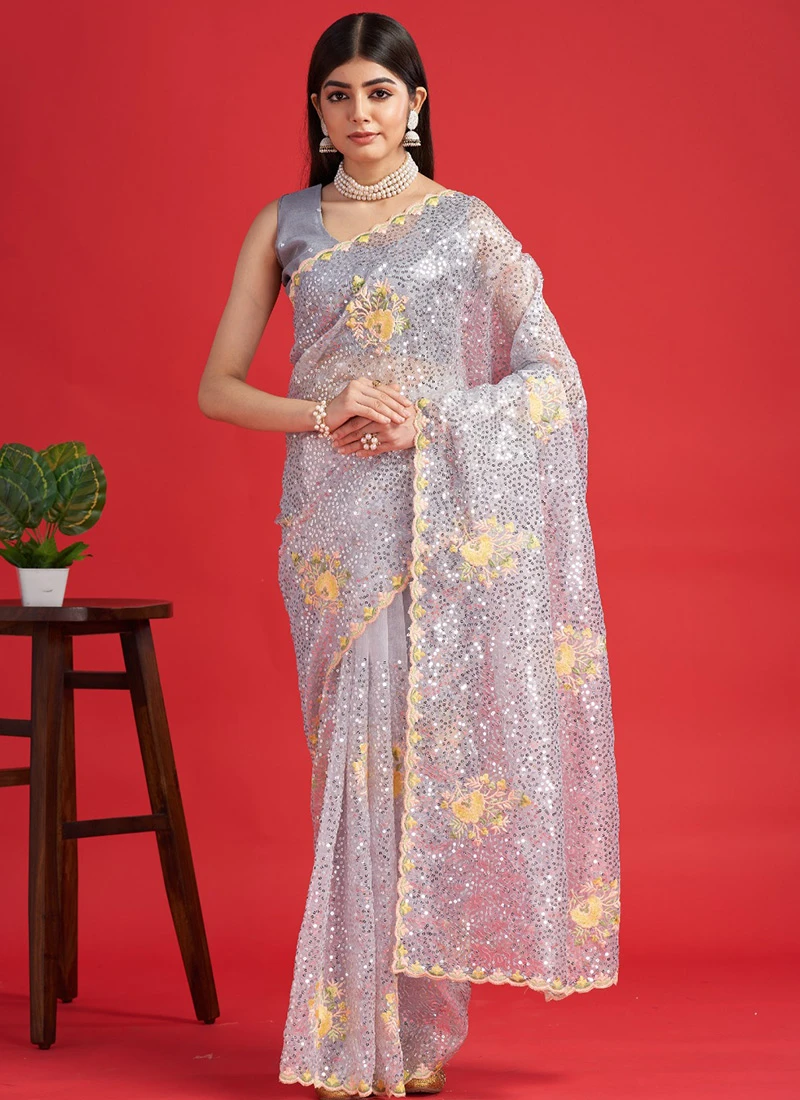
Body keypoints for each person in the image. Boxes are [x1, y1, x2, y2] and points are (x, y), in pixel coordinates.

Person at [197, 12, 621, 1099]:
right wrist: (322, 409)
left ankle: (408, 1031)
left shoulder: (467, 227)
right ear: (316, 110)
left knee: (418, 757)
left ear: (416, 105)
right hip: (333, 526)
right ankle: (359, 1031)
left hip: (442, 522)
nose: (359, 113)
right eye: (337, 94)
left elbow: (554, 382)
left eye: (378, 93)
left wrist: (435, 422)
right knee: (354, 758)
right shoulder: (286, 223)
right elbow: (218, 389)